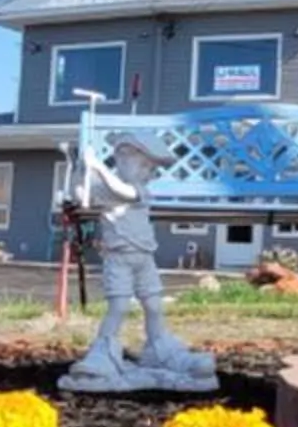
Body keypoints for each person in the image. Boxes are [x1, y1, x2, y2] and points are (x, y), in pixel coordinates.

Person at [64, 129, 216, 391]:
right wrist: (80, 168)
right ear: (122, 160)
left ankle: (159, 348)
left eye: (152, 168)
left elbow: (121, 191)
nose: (149, 172)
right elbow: (82, 193)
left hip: (144, 258)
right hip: (119, 259)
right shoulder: (105, 188)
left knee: (154, 305)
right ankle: (104, 352)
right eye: (144, 164)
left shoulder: (138, 190)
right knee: (119, 307)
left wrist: (96, 165)